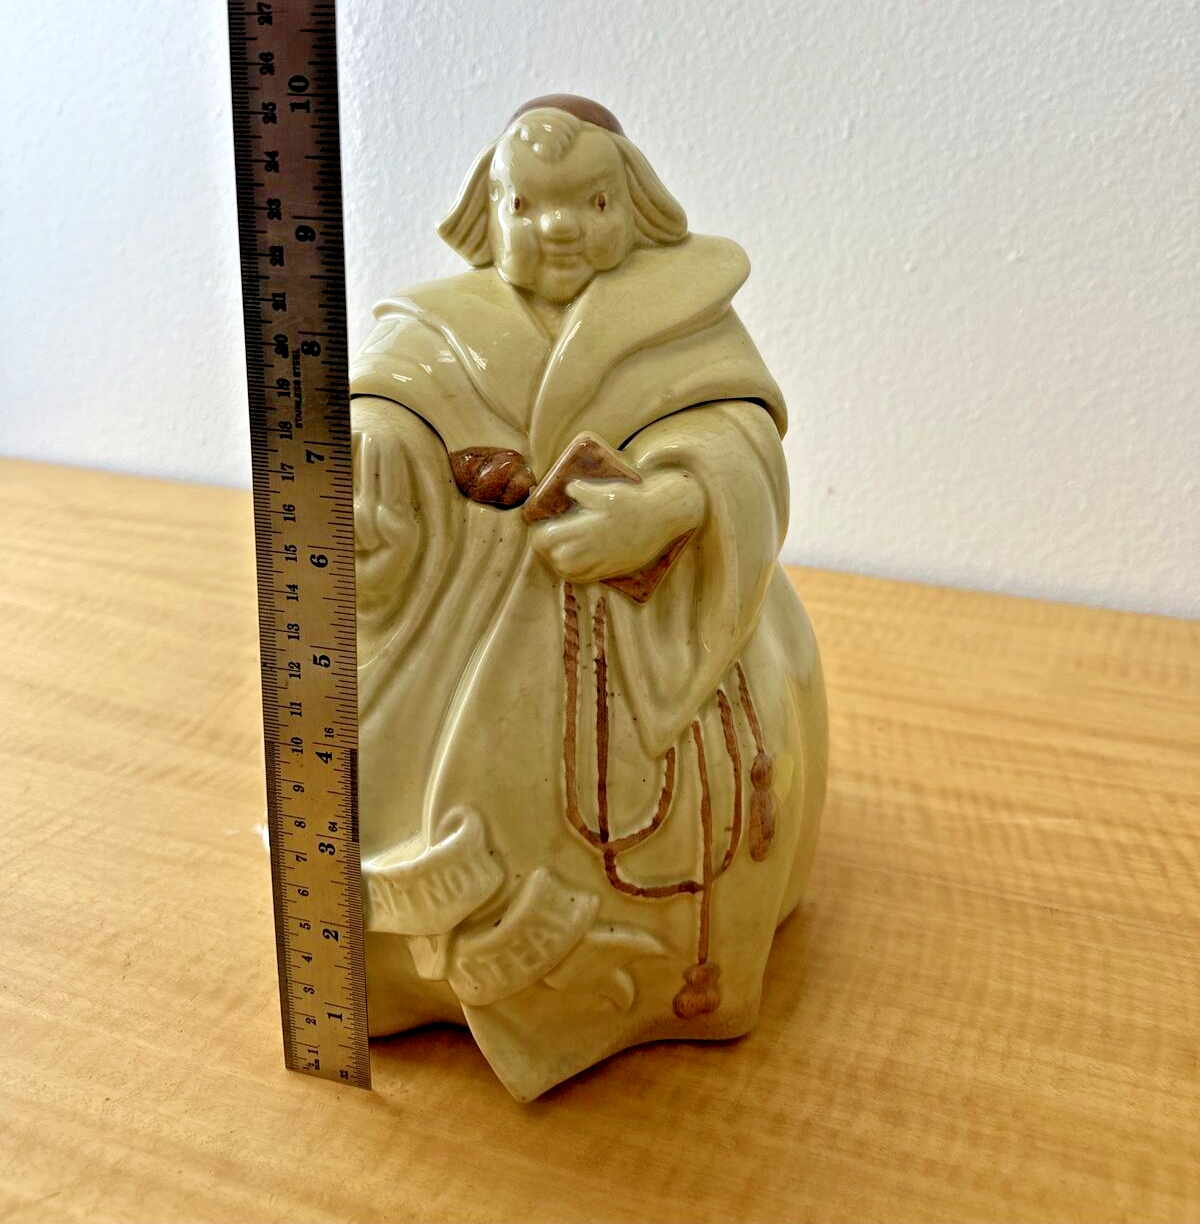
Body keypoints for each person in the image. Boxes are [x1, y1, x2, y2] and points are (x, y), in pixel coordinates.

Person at [351, 95, 827, 1101]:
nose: (559, 229)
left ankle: (655, 979)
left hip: (640, 614)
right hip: (461, 606)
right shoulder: (437, 328)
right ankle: (411, 957)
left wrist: (667, 506)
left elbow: (739, 439)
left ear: (634, 206)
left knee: (684, 789)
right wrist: (377, 439)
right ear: (490, 214)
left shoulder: (684, 321)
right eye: (527, 206)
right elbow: (381, 399)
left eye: (591, 203)